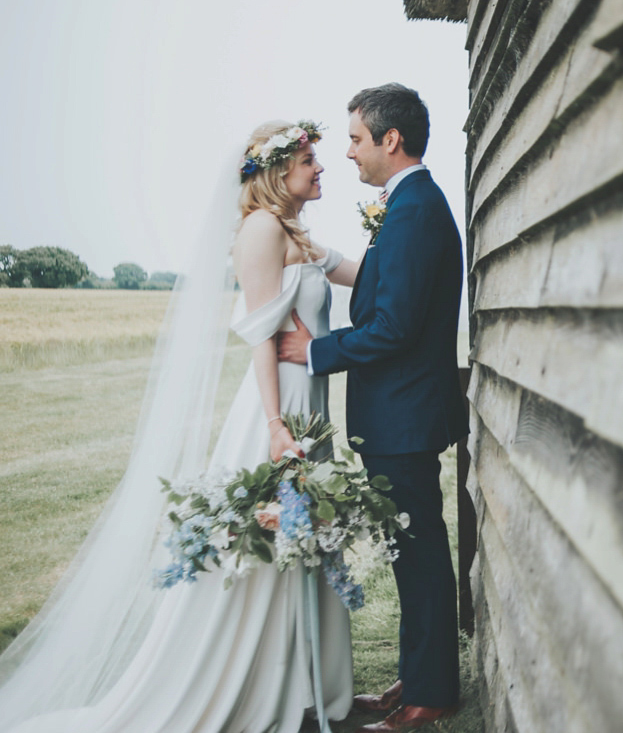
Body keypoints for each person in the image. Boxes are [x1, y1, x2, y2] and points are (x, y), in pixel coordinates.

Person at [0, 120, 361, 732]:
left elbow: (362, 272)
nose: (320, 168)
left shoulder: (297, 232)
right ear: (276, 170)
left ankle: (300, 679)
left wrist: (399, 238)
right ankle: (247, 680)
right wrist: (275, 426)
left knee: (306, 535)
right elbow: (262, 339)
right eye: (308, 159)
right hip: (279, 408)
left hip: (311, 403)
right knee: (272, 535)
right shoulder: (261, 229)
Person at [277, 83, 469, 732]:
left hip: (405, 419)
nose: (350, 152)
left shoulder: (414, 210)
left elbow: (394, 328)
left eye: (357, 138)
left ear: (391, 140)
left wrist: (315, 350)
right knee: (408, 551)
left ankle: (432, 692)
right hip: (400, 416)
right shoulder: (406, 204)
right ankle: (417, 678)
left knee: (418, 554)